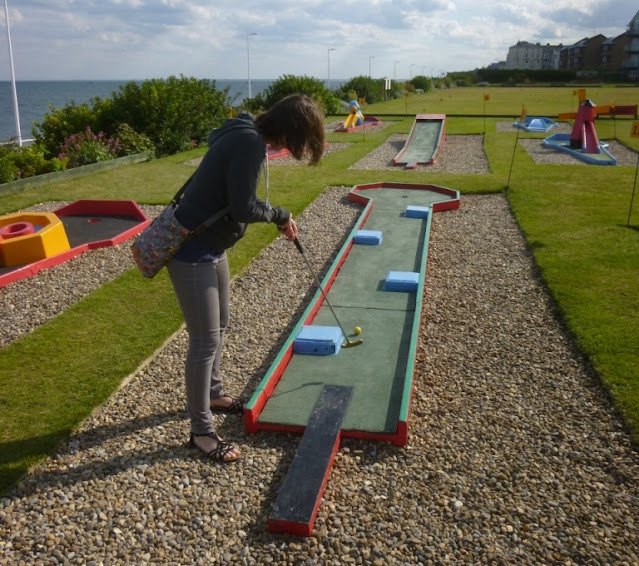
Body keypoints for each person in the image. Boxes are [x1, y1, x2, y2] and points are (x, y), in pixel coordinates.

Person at [167, 94, 325, 462]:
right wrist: (281, 215)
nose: (293, 147)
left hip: (212, 246)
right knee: (204, 342)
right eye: (298, 139)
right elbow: (243, 206)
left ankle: (213, 393)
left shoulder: (243, 127)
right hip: (193, 253)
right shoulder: (249, 142)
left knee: (220, 325)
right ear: (288, 129)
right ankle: (201, 431)